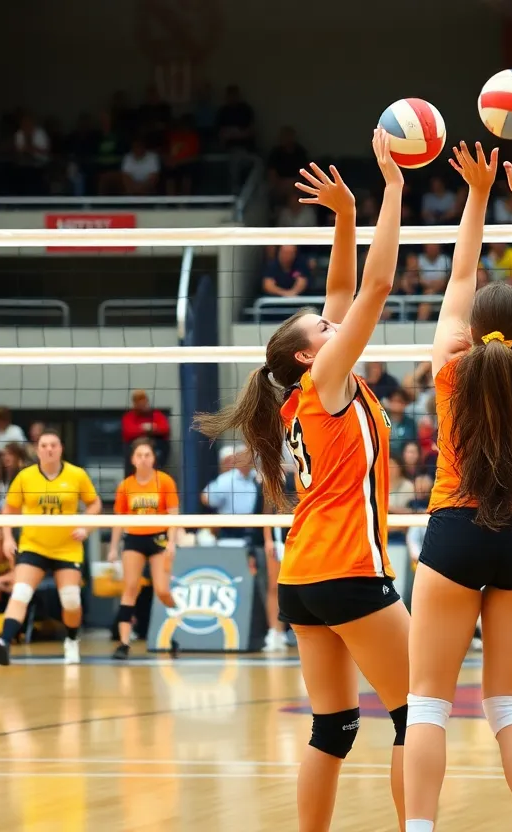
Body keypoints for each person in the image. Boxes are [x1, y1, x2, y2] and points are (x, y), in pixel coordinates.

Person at [193, 129, 410, 832]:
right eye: (323, 324)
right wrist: (394, 188)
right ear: (308, 351)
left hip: (304, 575)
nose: (333, 320)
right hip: (349, 567)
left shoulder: (301, 390)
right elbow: (373, 287)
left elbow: (344, 291)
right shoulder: (327, 379)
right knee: (419, 714)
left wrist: (345, 217)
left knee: (335, 727)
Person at [403, 142, 512, 832]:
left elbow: (462, 273)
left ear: (470, 333)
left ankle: (419, 830)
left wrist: (475, 193)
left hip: (456, 532)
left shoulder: (449, 369)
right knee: (509, 705)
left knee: (428, 706)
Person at [0, 429, 101, 667]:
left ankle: (71, 640)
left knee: (70, 599)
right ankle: (4, 643)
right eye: (44, 445)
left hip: (67, 548)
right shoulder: (25, 477)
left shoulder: (76, 475)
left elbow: (94, 503)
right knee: (20, 594)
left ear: (61, 449)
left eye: (54, 445)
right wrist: (8, 538)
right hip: (33, 545)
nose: (49, 449)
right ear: (37, 450)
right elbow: (8, 510)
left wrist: (85, 527)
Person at [108, 437, 180, 660]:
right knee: (130, 588)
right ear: (132, 459)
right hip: (134, 540)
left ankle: (176, 630)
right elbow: (119, 520)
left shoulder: (165, 481)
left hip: (158, 539)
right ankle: (123, 643)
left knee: (162, 590)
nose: (143, 459)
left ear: (154, 458)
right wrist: (112, 548)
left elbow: (174, 514)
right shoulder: (125, 486)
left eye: (147, 455)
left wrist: (171, 542)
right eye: (139, 455)